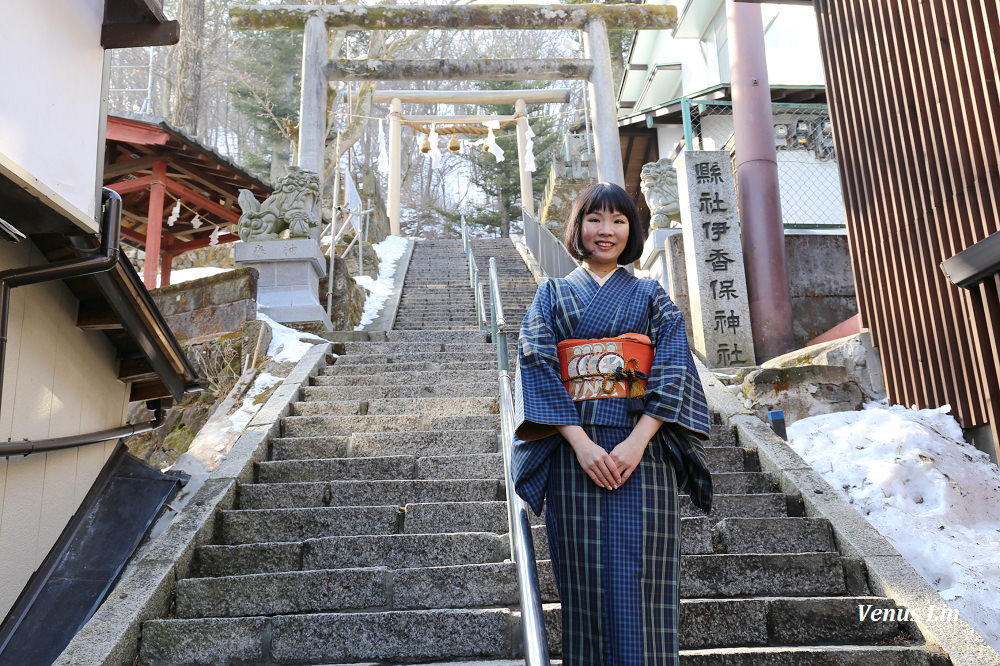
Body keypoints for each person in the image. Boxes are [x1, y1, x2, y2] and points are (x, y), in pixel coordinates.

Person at [512, 182, 713, 665]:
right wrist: (581, 445)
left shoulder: (651, 296)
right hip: (574, 456)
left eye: (619, 221)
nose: (607, 231)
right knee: (586, 587)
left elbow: (672, 366)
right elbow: (537, 362)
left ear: (632, 229)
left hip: (643, 456)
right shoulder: (552, 296)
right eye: (595, 219)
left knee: (648, 580)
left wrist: (638, 441)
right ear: (578, 228)